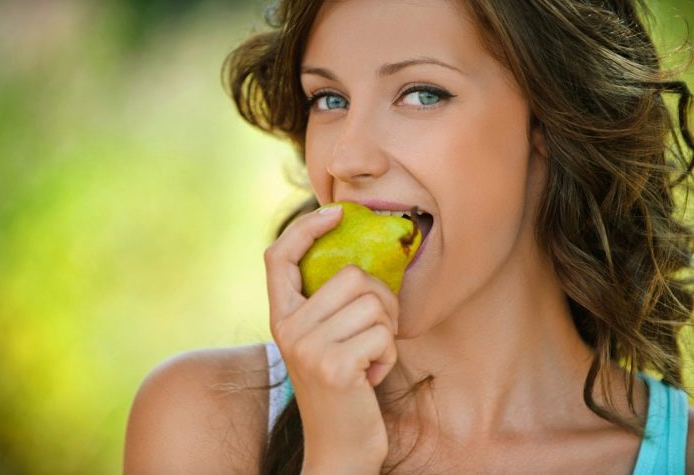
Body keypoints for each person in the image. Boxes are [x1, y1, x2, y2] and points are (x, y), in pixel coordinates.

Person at [123, 0, 694, 473]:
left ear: (548, 117)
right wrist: (338, 458)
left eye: (422, 93)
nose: (347, 159)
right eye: (329, 100)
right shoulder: (201, 422)